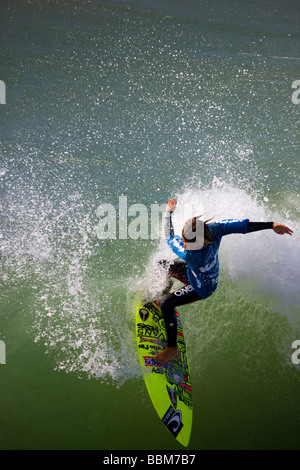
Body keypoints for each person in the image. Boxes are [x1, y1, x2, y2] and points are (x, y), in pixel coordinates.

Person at [155, 198, 293, 364]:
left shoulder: (188, 254)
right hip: (193, 273)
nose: (183, 245)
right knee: (162, 264)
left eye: (186, 243)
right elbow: (243, 226)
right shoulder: (215, 230)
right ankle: (165, 292)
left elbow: (170, 236)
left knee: (166, 303)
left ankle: (172, 348)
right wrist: (272, 225)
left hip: (203, 287)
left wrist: (168, 213)